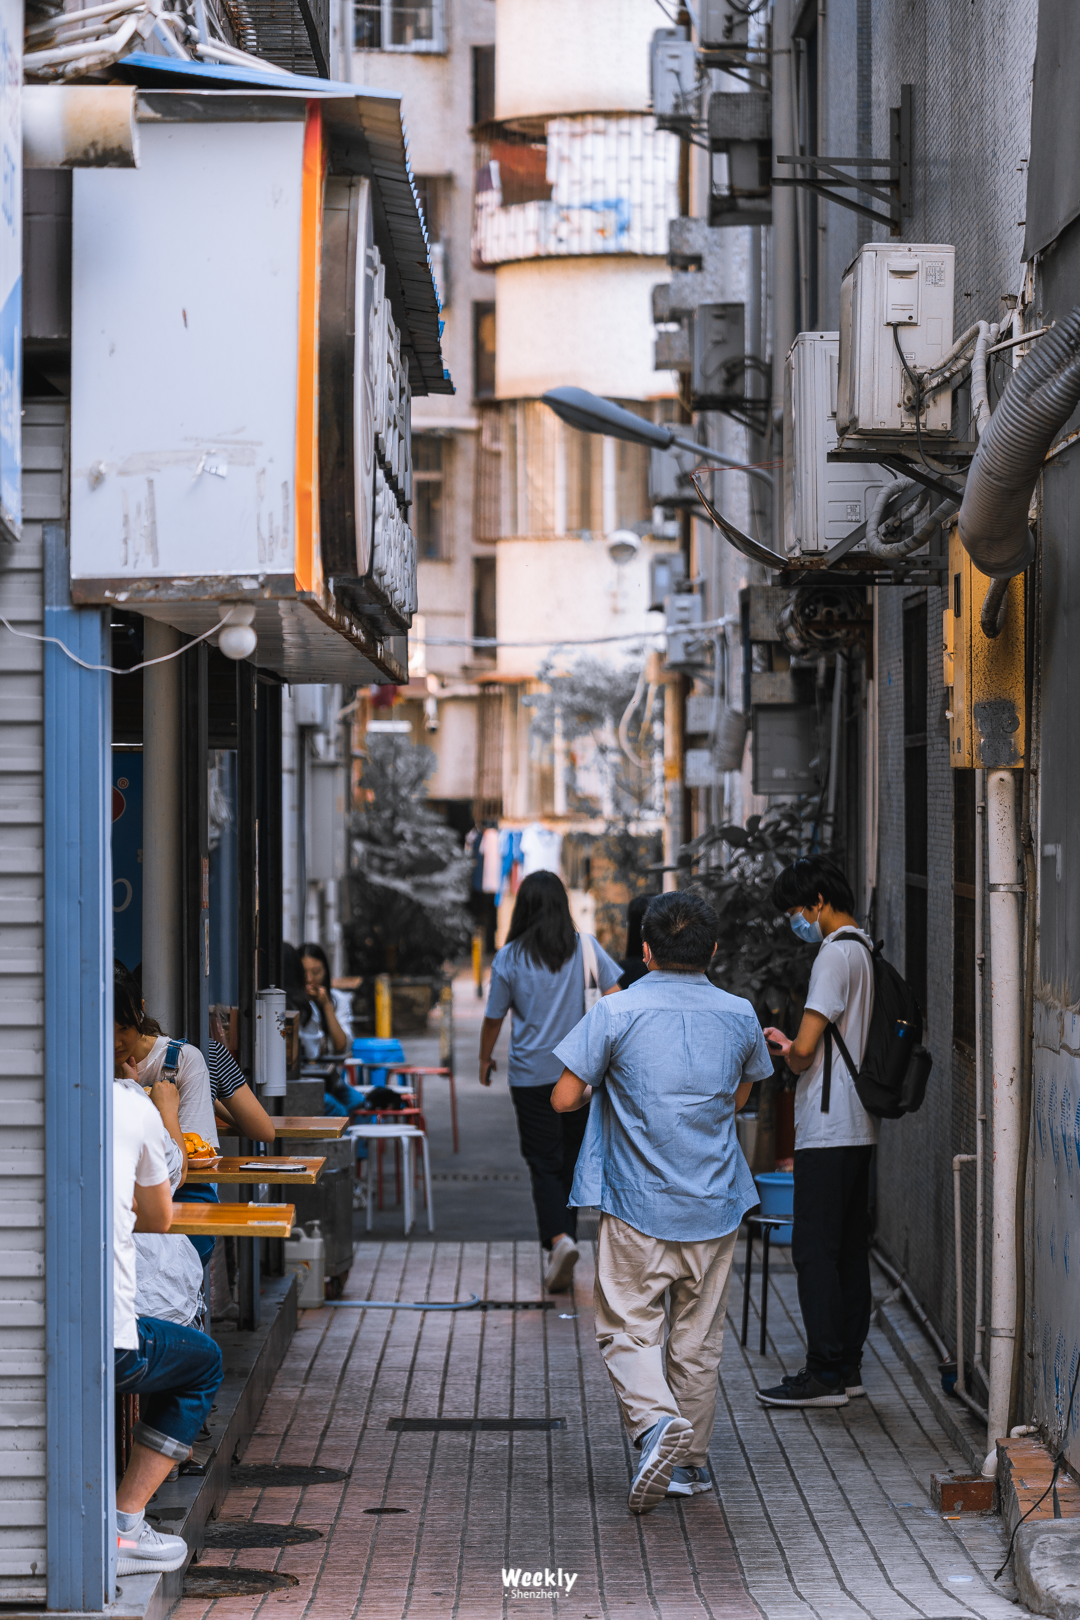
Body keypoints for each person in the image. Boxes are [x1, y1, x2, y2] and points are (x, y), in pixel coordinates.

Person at [551, 890, 774, 1514]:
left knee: (627, 1326)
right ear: (713, 949)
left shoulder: (615, 1012)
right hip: (716, 1202)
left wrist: (610, 1078)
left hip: (635, 1203)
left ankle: (653, 1427)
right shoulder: (739, 1013)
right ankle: (690, 1468)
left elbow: (564, 1099)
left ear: (645, 949)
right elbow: (738, 1098)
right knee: (697, 1340)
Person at [756, 855, 876, 1410]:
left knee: (814, 1250)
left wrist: (788, 1051)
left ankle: (823, 1372)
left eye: (797, 910)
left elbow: (805, 1052)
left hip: (828, 1126)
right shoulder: (865, 950)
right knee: (849, 1249)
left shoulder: (833, 955)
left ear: (818, 904)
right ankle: (846, 1366)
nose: (796, 920)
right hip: (860, 1124)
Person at [479, 871, 621, 1293]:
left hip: (530, 1076)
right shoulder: (586, 949)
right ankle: (565, 1242)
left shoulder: (509, 957)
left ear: (523, 908)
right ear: (563, 905)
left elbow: (493, 1017)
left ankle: (559, 1242)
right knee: (572, 1163)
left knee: (543, 1162)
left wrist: (485, 1058)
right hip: (580, 1075)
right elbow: (617, 999)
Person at [112, 1075, 223, 1573]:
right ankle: (124, 1528)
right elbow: (159, 1215)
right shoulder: (131, 1104)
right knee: (202, 1361)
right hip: (108, 1337)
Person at [113, 964, 220, 1271]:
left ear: (141, 1012)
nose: (117, 1042)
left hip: (184, 1195)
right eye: (107, 1029)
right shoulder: (86, 1065)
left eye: (125, 1028)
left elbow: (186, 1162)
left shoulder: (184, 1060)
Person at [298, 941, 352, 1060]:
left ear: (325, 972)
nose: (309, 979)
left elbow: (341, 1046)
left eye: (316, 972)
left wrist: (326, 1005)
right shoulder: (292, 1002)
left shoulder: (338, 999)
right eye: (303, 973)